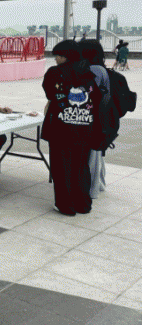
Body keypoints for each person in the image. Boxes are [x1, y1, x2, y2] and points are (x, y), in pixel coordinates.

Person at [42, 40, 98, 216]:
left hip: (61, 128)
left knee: (61, 167)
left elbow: (50, 94)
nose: (55, 59)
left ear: (64, 56)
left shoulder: (54, 72)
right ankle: (83, 204)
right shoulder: (87, 72)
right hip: (84, 127)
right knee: (81, 166)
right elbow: (96, 97)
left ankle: (66, 205)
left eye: (57, 56)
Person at [79, 41, 110, 199]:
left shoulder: (94, 70)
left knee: (91, 155)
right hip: (95, 117)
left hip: (90, 118)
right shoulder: (99, 69)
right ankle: (97, 185)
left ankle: (89, 190)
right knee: (95, 155)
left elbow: (87, 93)